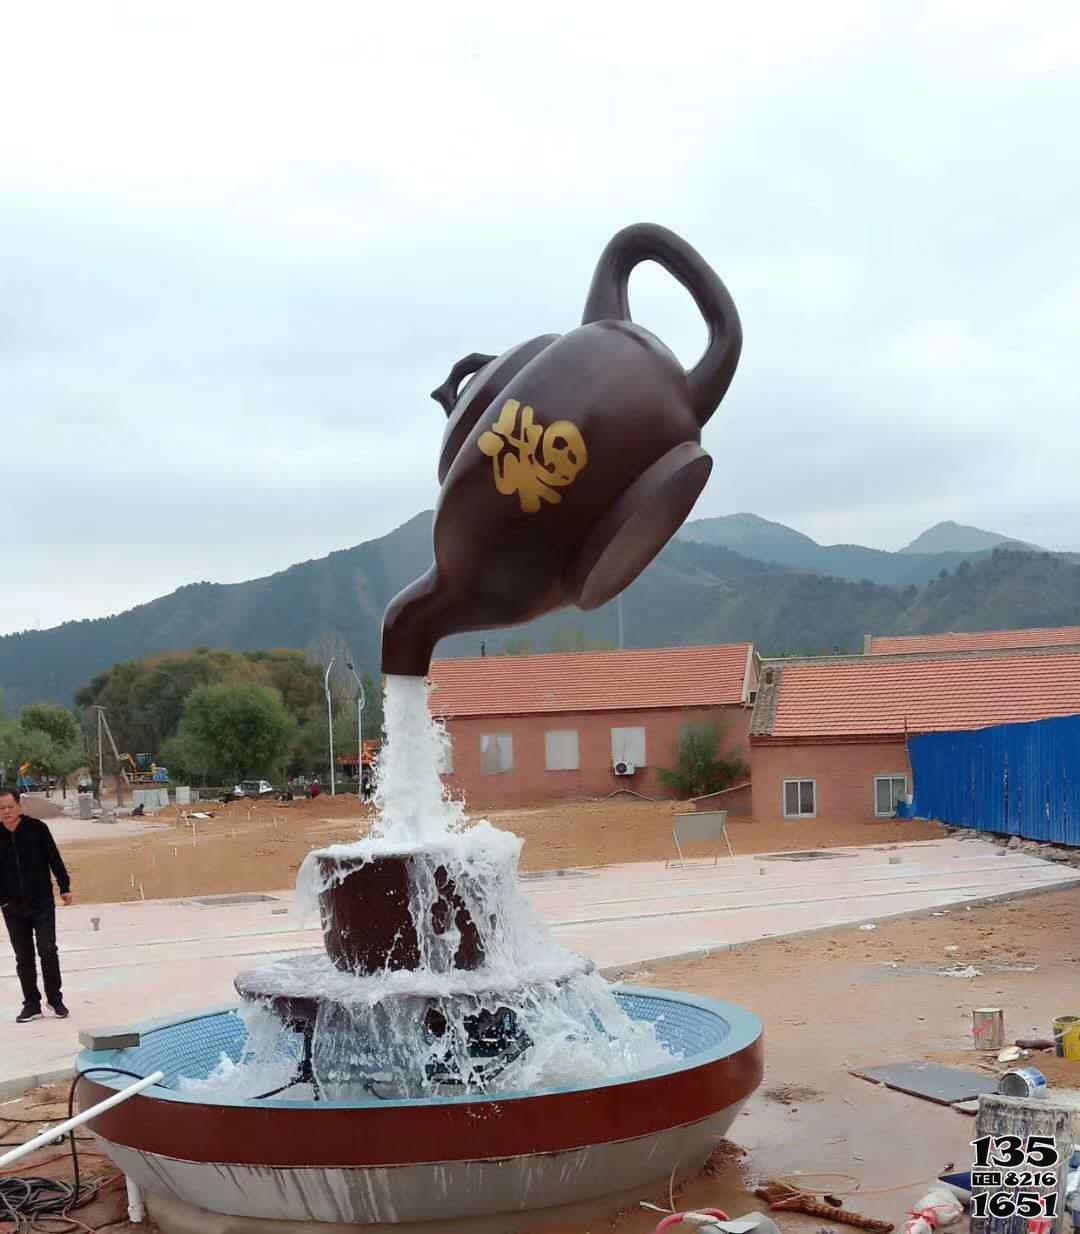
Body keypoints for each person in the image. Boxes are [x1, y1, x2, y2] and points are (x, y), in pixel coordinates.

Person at [0, 787, 72, 1023]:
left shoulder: (37, 828)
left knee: (48, 950)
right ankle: (31, 1004)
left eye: (10, 806)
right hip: (12, 906)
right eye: (1, 808)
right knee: (24, 956)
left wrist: (64, 886)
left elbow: (54, 857)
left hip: (41, 901)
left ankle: (55, 998)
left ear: (19, 806)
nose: (6, 812)